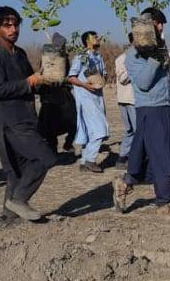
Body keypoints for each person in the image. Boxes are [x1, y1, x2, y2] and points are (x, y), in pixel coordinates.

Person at [112, 9, 170, 224]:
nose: (161, 27)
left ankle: (125, 184)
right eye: (157, 23)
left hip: (163, 109)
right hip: (149, 111)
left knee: (145, 156)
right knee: (162, 158)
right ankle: (163, 205)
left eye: (162, 23)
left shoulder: (160, 51)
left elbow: (168, 84)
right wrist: (155, 60)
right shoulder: (132, 55)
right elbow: (144, 83)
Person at [0, 6, 57, 227]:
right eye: (7, 25)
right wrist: (29, 83)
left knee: (17, 171)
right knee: (47, 157)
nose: (13, 29)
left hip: (26, 119)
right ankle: (19, 199)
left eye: (15, 24)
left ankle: (6, 218)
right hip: (11, 123)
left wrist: (45, 81)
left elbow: (31, 84)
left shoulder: (21, 53)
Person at [68, 30, 109, 173]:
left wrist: (103, 79)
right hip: (86, 99)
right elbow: (71, 77)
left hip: (98, 98)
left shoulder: (98, 57)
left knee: (91, 130)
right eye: (95, 37)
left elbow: (103, 75)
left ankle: (84, 161)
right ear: (88, 40)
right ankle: (91, 160)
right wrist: (85, 85)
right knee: (100, 129)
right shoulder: (81, 57)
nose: (98, 38)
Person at [37, 33, 77, 154]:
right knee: (50, 125)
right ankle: (52, 149)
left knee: (74, 121)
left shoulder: (64, 57)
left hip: (63, 94)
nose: (62, 47)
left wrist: (65, 81)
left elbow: (67, 74)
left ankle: (68, 143)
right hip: (49, 95)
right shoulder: (46, 58)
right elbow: (42, 72)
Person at [114, 35, 135, 170]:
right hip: (129, 100)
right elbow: (123, 79)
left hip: (127, 99)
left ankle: (123, 157)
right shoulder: (123, 59)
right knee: (135, 130)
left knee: (132, 130)